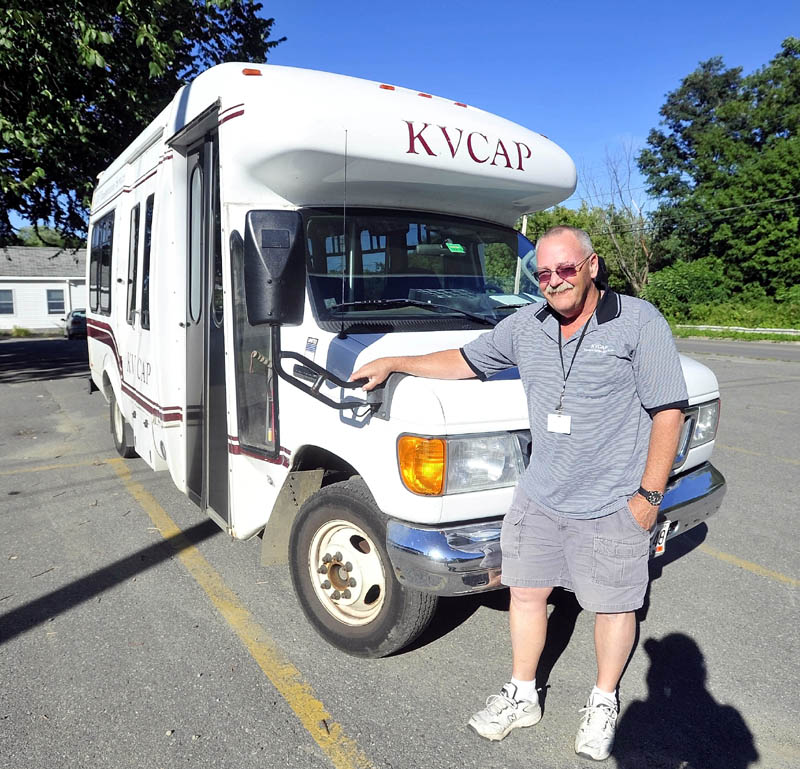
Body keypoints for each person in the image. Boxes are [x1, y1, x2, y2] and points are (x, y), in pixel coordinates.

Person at [350, 225, 687, 761]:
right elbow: (466, 360)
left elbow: (669, 409)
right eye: (544, 273)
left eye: (566, 269)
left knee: (614, 605)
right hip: (540, 497)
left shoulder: (638, 322)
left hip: (613, 501)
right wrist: (395, 363)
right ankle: (522, 694)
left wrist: (648, 497)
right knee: (525, 594)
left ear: (592, 266)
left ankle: (603, 701)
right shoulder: (527, 324)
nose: (554, 281)